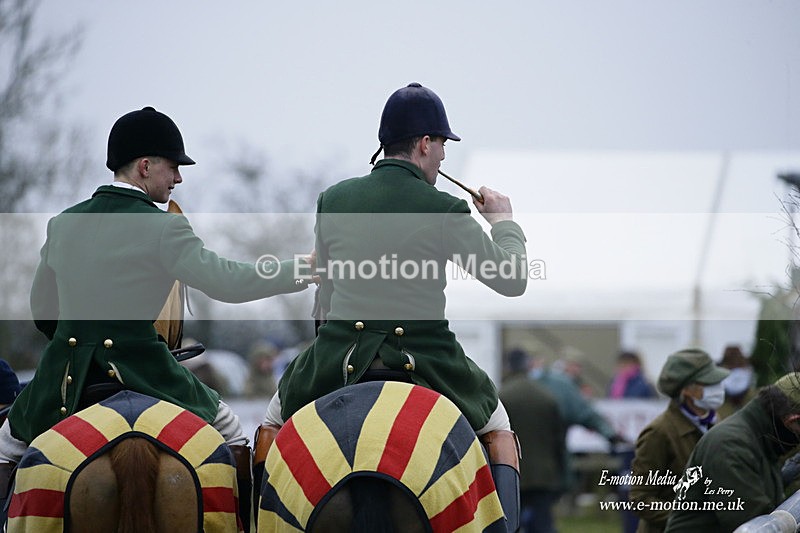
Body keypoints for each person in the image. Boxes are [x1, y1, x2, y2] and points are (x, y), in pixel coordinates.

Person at [0, 106, 312, 531]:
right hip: (144, 370)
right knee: (233, 431)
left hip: (64, 378)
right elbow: (227, 282)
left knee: (6, 447)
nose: (178, 178)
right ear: (145, 167)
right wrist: (299, 269)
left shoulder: (63, 224)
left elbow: (42, 311)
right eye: (173, 167)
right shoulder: (163, 226)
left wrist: (77, 339)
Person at [256, 82, 528, 530]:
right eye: (441, 144)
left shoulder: (334, 200)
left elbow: (323, 299)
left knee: (270, 424)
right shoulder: (445, 207)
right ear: (424, 143)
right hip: (427, 361)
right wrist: (504, 224)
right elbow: (511, 279)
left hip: (338, 358)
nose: (443, 156)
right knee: (498, 429)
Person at [665, 371, 800, 532]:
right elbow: (759, 528)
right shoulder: (731, 445)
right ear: (792, 421)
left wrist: (782, 479)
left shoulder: (762, 440)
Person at [629, 348, 729, 533]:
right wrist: (688, 519)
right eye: (709, 382)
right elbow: (641, 498)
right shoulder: (659, 432)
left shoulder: (717, 423)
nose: (718, 386)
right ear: (687, 390)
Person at [500, 349, 566, 533]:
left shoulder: (502, 396)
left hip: (511, 473)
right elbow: (559, 440)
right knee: (544, 525)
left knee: (512, 525)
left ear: (508, 366)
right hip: (544, 474)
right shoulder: (547, 397)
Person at [717, 344, 757, 420]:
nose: (736, 372)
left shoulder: (760, 401)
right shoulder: (714, 407)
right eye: (731, 366)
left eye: (739, 365)